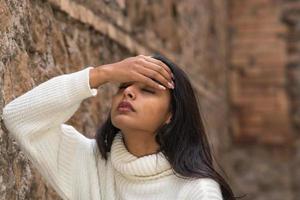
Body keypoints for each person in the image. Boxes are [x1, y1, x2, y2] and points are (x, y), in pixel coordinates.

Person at [2, 53, 236, 199]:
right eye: (122, 85)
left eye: (147, 90)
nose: (129, 92)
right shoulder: (90, 163)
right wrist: (103, 73)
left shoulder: (196, 192)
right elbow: (20, 116)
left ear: (171, 115)